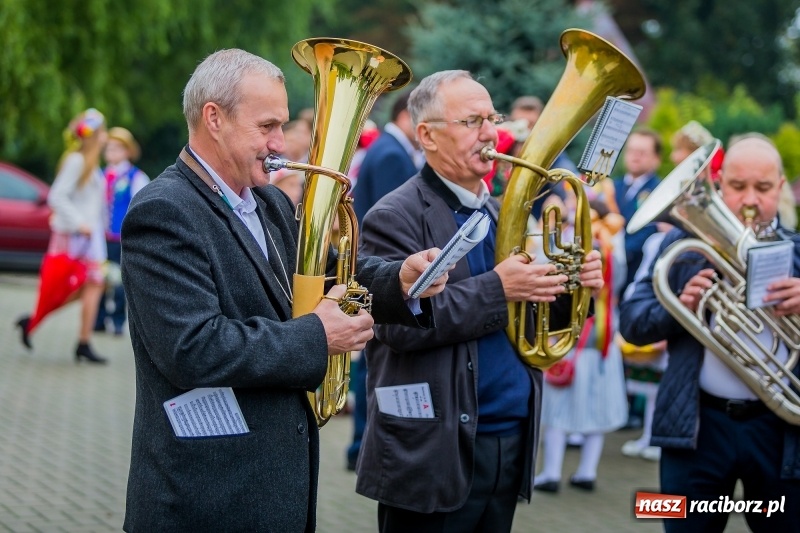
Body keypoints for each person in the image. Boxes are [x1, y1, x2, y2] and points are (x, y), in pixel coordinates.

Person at [119, 48, 448, 533]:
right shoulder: (164, 211)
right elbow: (193, 348)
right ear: (214, 118)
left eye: (282, 126)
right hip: (208, 496)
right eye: (267, 126)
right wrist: (318, 335)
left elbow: (330, 275)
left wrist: (400, 281)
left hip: (275, 485)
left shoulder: (269, 201)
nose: (281, 143)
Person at [355, 70, 604, 532]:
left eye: (492, 118)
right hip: (434, 449)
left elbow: (528, 317)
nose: (491, 132)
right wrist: (499, 287)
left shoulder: (498, 212)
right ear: (427, 135)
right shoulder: (394, 214)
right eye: (472, 121)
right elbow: (396, 325)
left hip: (508, 439)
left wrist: (575, 289)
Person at [619, 136, 800, 532]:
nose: (749, 199)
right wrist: (678, 307)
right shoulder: (678, 246)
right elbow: (631, 322)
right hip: (693, 428)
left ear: (781, 187)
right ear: (719, 185)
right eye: (737, 186)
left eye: (763, 188)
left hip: (779, 434)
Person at [534, 196, 629, 493]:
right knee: (595, 406)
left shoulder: (579, 245)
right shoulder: (614, 246)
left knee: (558, 406)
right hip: (601, 337)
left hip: (574, 335)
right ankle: (586, 471)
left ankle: (551, 472)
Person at [16, 108, 109, 364]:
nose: (106, 135)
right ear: (95, 135)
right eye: (103, 131)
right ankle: (80, 341)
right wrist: (79, 223)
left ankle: (40, 322)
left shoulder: (91, 165)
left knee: (92, 285)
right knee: (89, 285)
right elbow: (57, 196)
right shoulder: (78, 161)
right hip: (79, 237)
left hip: (90, 238)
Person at [94, 127, 150, 335]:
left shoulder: (136, 177)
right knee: (98, 278)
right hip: (101, 237)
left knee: (119, 281)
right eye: (109, 148)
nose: (112, 152)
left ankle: (117, 320)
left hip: (121, 238)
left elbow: (140, 207)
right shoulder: (99, 175)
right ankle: (98, 319)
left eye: (117, 148)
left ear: (127, 151)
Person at [353, 92, 421, 223]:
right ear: (404, 116)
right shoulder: (392, 155)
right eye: (424, 119)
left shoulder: (388, 146)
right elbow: (391, 218)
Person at [614, 128, 662, 296]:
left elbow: (650, 229)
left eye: (642, 152)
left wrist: (616, 256)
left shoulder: (659, 190)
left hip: (635, 273)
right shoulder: (613, 186)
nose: (635, 156)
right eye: (632, 151)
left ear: (656, 159)